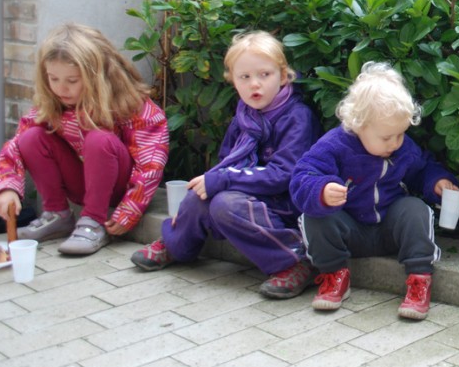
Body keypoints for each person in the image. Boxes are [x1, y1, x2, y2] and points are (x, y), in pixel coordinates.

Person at [131, 31, 323, 299]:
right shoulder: (244, 115)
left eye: (264, 75)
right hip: (249, 194)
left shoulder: (297, 116)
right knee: (201, 194)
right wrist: (211, 183)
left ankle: (295, 260)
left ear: (283, 74)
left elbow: (284, 175)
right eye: (244, 77)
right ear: (233, 80)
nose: (255, 84)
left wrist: (222, 180)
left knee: (223, 202)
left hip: (286, 203)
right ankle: (176, 246)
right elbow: (226, 162)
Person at [290, 61, 459, 321]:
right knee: (315, 215)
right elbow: (303, 176)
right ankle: (334, 275)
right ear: (359, 125)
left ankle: (419, 279)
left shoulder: (403, 147)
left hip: (390, 231)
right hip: (349, 233)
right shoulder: (334, 145)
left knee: (415, 209)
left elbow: (423, 168)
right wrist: (321, 191)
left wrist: (437, 182)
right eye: (386, 138)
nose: (395, 143)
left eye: (400, 135)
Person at [0, 23, 169, 255]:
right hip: (82, 184)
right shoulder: (54, 103)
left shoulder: (132, 105)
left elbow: (150, 163)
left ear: (98, 75)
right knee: (31, 137)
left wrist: (129, 211)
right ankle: (58, 215)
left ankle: (93, 222)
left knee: (99, 139)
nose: (61, 88)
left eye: (72, 81)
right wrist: (5, 188)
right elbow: (15, 147)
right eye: (53, 79)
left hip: (118, 188)